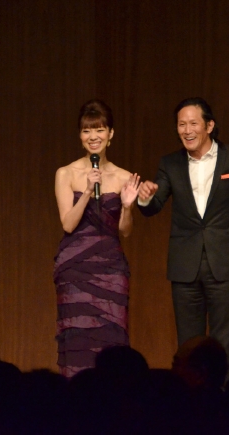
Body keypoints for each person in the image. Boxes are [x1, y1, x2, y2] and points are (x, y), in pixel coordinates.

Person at [136, 97, 229, 368]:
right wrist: (145, 197)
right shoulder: (170, 164)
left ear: (209, 126)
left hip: (226, 265)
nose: (187, 130)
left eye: (193, 124)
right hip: (185, 266)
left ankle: (223, 395)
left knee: (225, 345)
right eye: (181, 125)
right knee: (188, 348)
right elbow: (154, 206)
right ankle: (189, 395)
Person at [53, 99, 141, 378]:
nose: (93, 137)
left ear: (110, 134)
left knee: (112, 343)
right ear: (80, 136)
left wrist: (127, 206)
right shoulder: (66, 173)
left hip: (111, 269)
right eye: (87, 131)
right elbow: (68, 224)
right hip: (76, 269)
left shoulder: (124, 176)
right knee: (78, 341)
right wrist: (88, 191)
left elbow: (125, 231)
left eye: (99, 130)